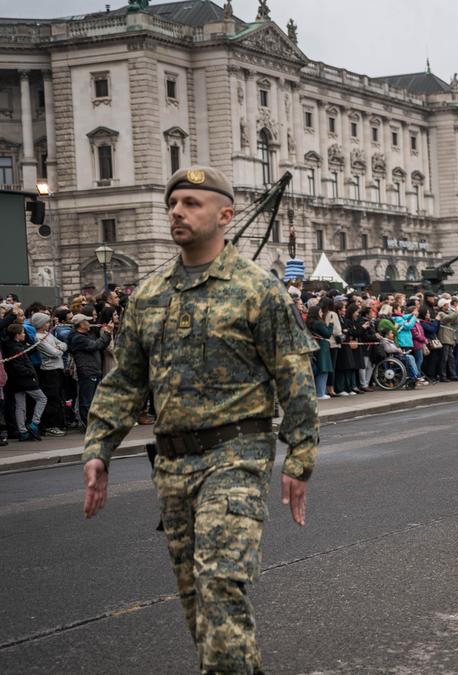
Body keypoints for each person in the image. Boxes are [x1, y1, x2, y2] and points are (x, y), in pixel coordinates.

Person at [81, 166, 319, 674]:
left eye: (191, 203)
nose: (177, 212)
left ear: (225, 215)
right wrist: (98, 449)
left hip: (237, 457)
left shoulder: (258, 290)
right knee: (196, 601)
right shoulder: (148, 294)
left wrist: (300, 458)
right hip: (171, 467)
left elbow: (294, 378)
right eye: (173, 203)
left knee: (221, 584)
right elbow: (125, 380)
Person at [2, 323, 48, 441]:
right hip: (25, 379)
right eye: (22, 333)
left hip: (15, 381)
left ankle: (22, 431)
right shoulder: (16, 348)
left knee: (20, 405)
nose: (24, 335)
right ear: (17, 335)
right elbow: (19, 366)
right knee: (42, 398)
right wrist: (30, 373)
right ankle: (34, 424)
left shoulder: (10, 346)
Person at [66, 313, 112, 427]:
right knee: (87, 400)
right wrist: (106, 333)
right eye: (86, 321)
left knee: (94, 399)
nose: (89, 323)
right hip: (87, 371)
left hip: (94, 370)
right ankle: (88, 424)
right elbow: (95, 345)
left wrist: (107, 333)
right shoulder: (78, 338)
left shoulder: (86, 335)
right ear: (81, 324)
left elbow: (101, 345)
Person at [31, 312, 68, 436]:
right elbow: (54, 353)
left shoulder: (48, 335)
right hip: (49, 371)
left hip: (57, 369)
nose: (49, 324)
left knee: (58, 397)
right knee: (52, 398)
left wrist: (59, 348)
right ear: (41, 324)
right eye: (47, 322)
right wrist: (59, 349)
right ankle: (50, 425)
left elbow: (64, 346)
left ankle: (58, 423)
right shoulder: (38, 337)